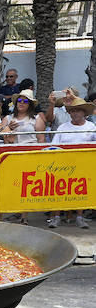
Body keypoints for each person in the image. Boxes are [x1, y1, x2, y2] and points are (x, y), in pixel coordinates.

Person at [49, 96, 95, 229]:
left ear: (84, 113)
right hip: (63, 165)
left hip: (84, 165)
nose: (75, 113)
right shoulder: (63, 127)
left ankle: (79, 217)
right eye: (72, 110)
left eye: (78, 110)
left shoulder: (91, 126)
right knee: (58, 190)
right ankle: (56, 217)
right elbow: (55, 145)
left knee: (81, 191)